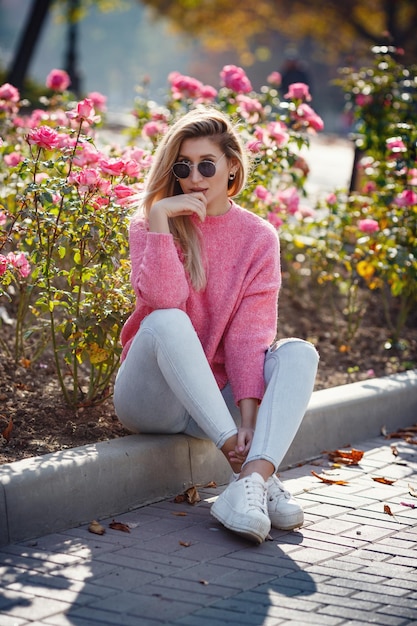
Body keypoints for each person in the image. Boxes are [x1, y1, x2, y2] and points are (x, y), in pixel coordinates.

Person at [113, 107, 319, 544]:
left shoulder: (258, 236)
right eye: (182, 166)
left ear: (232, 166)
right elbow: (163, 302)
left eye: (206, 164)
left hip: (212, 404)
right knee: (169, 318)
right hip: (151, 398)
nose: (194, 177)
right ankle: (248, 475)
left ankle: (254, 478)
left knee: (299, 352)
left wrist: (248, 416)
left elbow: (251, 335)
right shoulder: (151, 224)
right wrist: (159, 220)